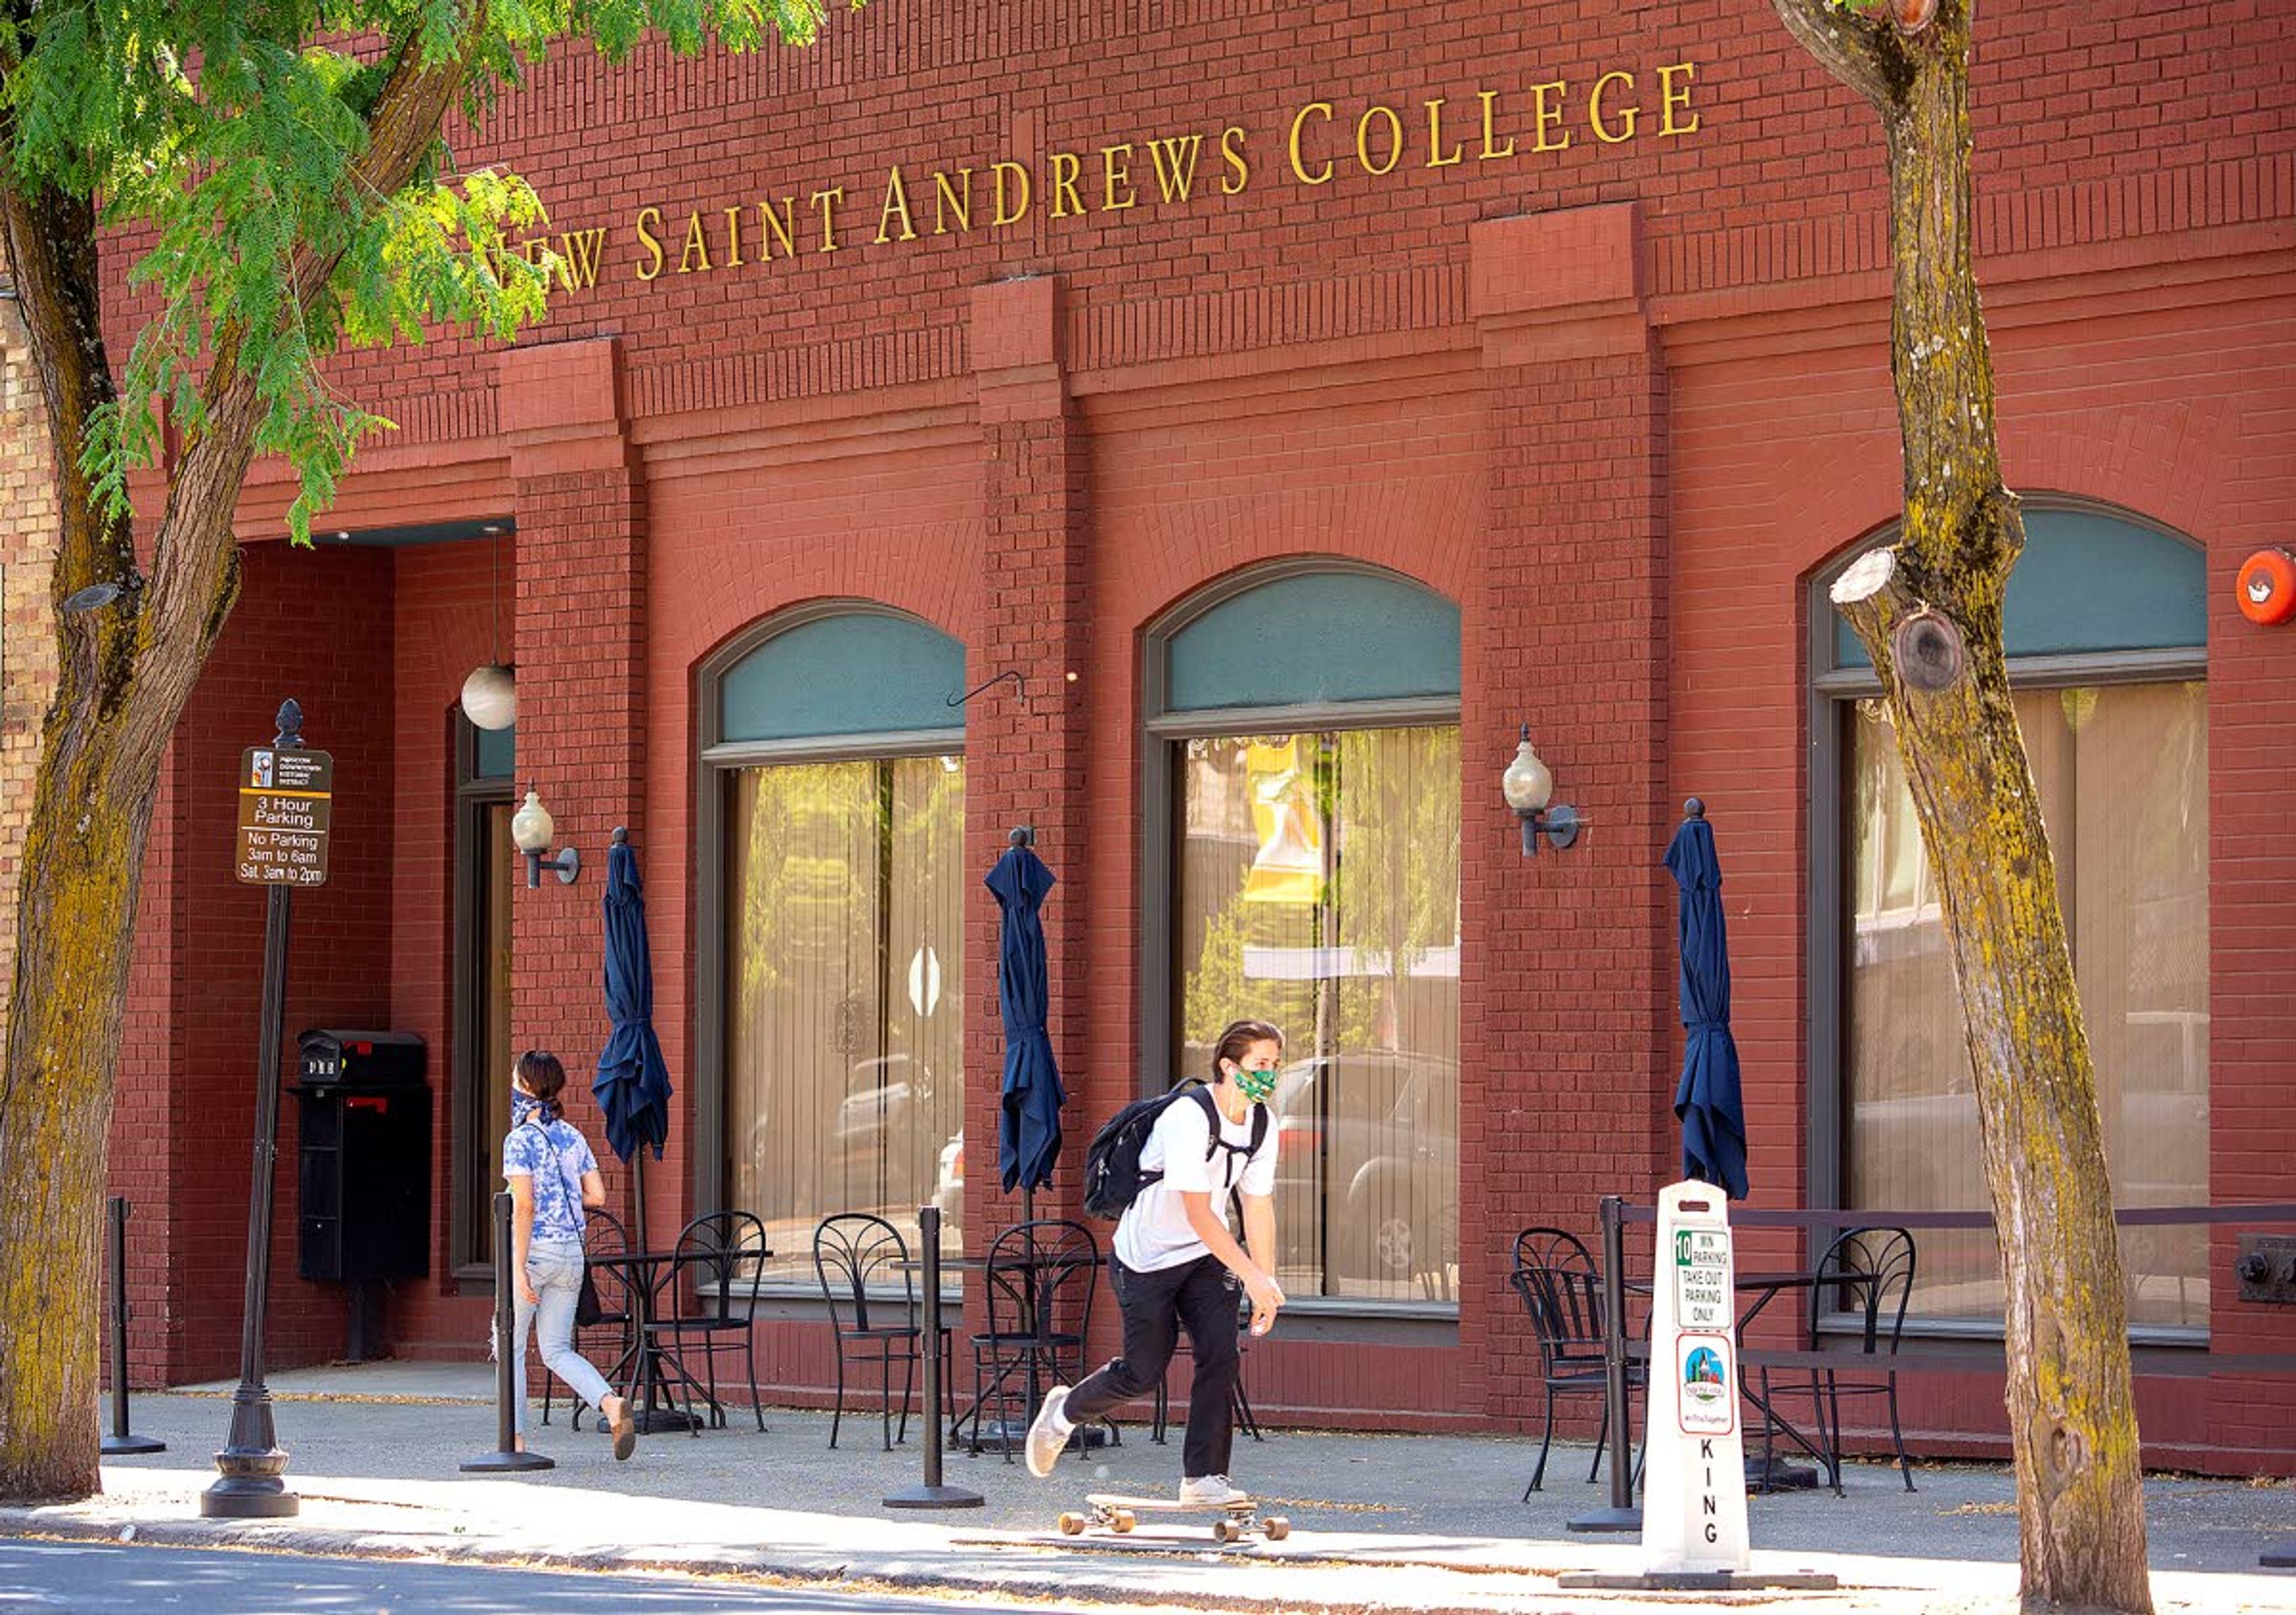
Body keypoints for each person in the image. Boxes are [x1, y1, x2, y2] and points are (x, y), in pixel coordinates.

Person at [1024, 1019, 1285, 1503]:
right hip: (1145, 1258)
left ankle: (1203, 1479)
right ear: (1229, 1066)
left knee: (1221, 1355)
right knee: (1141, 1372)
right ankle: (1063, 1412)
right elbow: (1197, 1209)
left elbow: (1257, 1203)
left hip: (1206, 1257)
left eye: (1274, 1064)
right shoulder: (1188, 1116)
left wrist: (1264, 1278)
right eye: (1259, 1064)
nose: (1269, 1074)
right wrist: (1249, 1272)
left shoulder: (1263, 1125)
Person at [501, 1049, 636, 1460]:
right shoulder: (572, 1135)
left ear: (525, 1085)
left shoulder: (519, 1139)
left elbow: (523, 1206)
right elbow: (597, 1194)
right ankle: (611, 1404)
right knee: (557, 1349)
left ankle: (515, 1440)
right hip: (572, 1256)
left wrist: (518, 1266)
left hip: (535, 1252)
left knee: (510, 1346)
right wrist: (562, 1193)